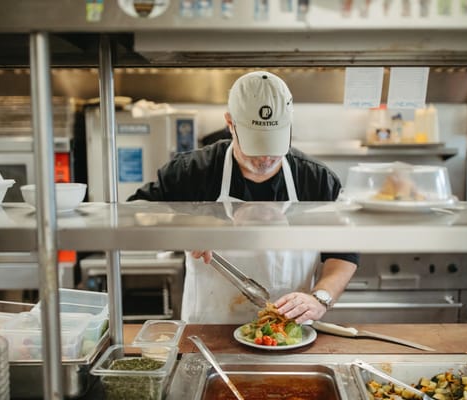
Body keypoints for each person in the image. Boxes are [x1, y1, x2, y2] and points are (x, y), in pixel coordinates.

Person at [128, 71, 357, 324]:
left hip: (289, 333)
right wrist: (181, 228)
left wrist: (320, 298)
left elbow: (345, 251)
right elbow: (133, 215)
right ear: (230, 123)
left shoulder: (316, 180)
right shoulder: (191, 172)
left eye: (273, 145)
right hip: (209, 331)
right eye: (255, 145)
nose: (265, 158)